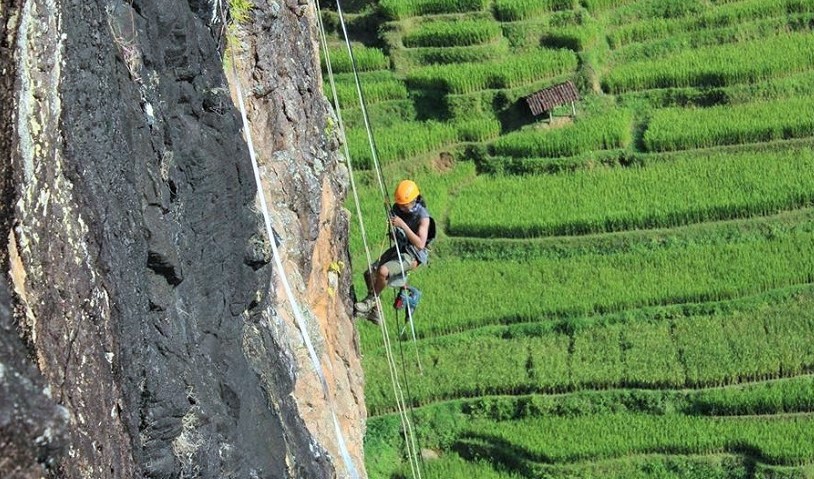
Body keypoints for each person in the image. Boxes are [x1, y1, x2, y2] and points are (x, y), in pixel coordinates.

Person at [355, 179, 431, 317]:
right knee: (369, 273)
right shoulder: (397, 208)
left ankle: (370, 301)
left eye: (404, 205)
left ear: (413, 200)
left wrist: (402, 225)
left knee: (383, 271)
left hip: (413, 255)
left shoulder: (423, 217)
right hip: (401, 248)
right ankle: (376, 312)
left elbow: (420, 244)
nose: (400, 207)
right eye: (399, 204)